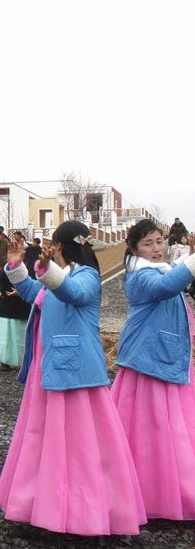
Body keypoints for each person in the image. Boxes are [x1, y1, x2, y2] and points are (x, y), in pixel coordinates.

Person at [0, 220, 146, 535]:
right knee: (47, 440)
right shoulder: (60, 277)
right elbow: (31, 291)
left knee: (79, 445)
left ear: (60, 246)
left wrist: (48, 270)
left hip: (76, 373)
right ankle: (46, 503)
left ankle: (83, 512)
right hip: (52, 368)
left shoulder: (86, 276)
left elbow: (74, 293)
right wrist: (15, 263)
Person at [111, 220, 195, 521]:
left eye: (160, 241)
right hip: (149, 361)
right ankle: (152, 493)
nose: (157, 248)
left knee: (169, 429)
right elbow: (165, 288)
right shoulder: (140, 276)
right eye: (148, 243)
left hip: (165, 357)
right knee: (154, 430)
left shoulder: (165, 269)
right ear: (134, 248)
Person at [0, 270, 31, 370]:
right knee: (9, 335)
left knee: (17, 335)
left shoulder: (22, 268)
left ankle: (19, 361)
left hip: (19, 305)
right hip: (11, 305)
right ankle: (6, 361)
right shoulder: (7, 270)